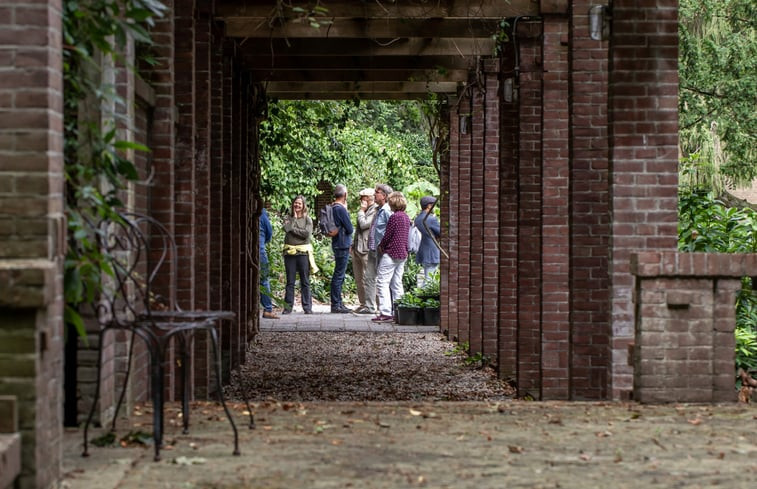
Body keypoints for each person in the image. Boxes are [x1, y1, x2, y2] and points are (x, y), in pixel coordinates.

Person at [373, 191, 411, 322]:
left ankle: (385, 312)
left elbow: (387, 235)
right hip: (402, 253)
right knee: (396, 283)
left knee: (382, 281)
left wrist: (381, 245)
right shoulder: (406, 217)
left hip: (391, 252)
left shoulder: (394, 217)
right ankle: (399, 310)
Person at [282, 195, 318, 314]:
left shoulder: (308, 219)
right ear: (293, 204)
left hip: (303, 253)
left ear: (303, 206)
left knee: (305, 281)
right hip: (289, 253)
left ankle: (307, 307)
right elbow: (287, 228)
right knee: (290, 282)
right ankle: (287, 308)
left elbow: (306, 234)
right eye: (295, 203)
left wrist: (293, 229)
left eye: (300, 203)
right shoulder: (288, 217)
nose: (297, 205)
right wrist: (294, 220)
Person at [352, 188, 378, 314]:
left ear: (369, 198)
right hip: (357, 248)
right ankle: (363, 303)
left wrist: (361, 211)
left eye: (363, 198)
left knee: (370, 278)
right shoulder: (365, 210)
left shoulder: (375, 210)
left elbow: (364, 224)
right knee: (359, 278)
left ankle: (375, 305)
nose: (361, 200)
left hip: (367, 249)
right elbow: (358, 230)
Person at [330, 184, 354, 313]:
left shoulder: (333, 207)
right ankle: (336, 304)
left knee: (338, 274)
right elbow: (350, 228)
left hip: (337, 243)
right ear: (345, 195)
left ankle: (338, 302)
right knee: (339, 275)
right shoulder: (341, 209)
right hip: (343, 243)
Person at [414, 196, 441, 285]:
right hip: (432, 250)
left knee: (427, 277)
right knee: (429, 280)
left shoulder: (418, 218)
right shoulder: (431, 219)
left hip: (424, 249)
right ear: (429, 206)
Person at [259, 207, 278, 319]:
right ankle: (268, 309)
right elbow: (269, 233)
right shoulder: (261, 211)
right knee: (264, 280)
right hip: (260, 251)